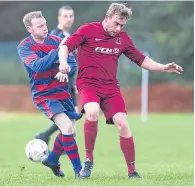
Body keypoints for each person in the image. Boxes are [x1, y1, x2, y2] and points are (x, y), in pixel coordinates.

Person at [57, 3, 183, 179]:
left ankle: (132, 171)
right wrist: (63, 62)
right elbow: (65, 46)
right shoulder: (88, 29)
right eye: (116, 23)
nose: (118, 28)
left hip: (110, 87)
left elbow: (141, 59)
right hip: (88, 84)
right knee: (92, 112)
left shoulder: (122, 38)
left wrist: (163, 67)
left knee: (123, 124)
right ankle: (88, 161)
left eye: (122, 25)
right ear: (107, 17)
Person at [17, 11, 83, 178]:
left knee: (71, 132)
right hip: (44, 94)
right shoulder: (25, 47)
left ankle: (52, 159)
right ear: (29, 28)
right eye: (40, 26)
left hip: (63, 92)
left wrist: (66, 69)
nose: (45, 28)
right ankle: (79, 172)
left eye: (45, 24)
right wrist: (59, 52)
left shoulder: (56, 40)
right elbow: (39, 66)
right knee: (67, 127)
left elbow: (73, 63)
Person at [35, 5, 78, 145]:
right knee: (70, 123)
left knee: (72, 123)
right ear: (59, 18)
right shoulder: (55, 36)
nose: (69, 19)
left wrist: (74, 83)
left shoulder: (69, 37)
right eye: (65, 16)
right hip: (60, 85)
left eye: (71, 16)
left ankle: (46, 138)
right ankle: (52, 145)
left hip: (69, 84)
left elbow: (72, 63)